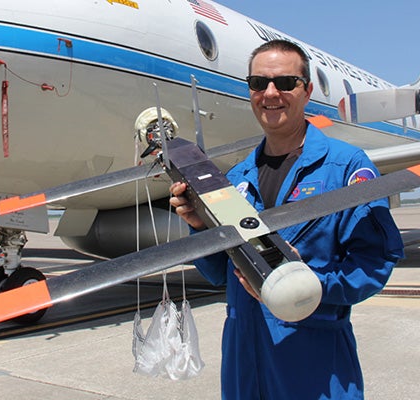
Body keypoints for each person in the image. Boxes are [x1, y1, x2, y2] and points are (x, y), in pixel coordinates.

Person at [169, 39, 404, 399]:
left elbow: (374, 263)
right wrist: (199, 226)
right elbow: (218, 273)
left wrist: (309, 287)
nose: (271, 93)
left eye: (286, 83)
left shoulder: (346, 167)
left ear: (307, 91)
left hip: (314, 367)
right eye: (258, 83)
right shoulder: (236, 180)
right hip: (244, 365)